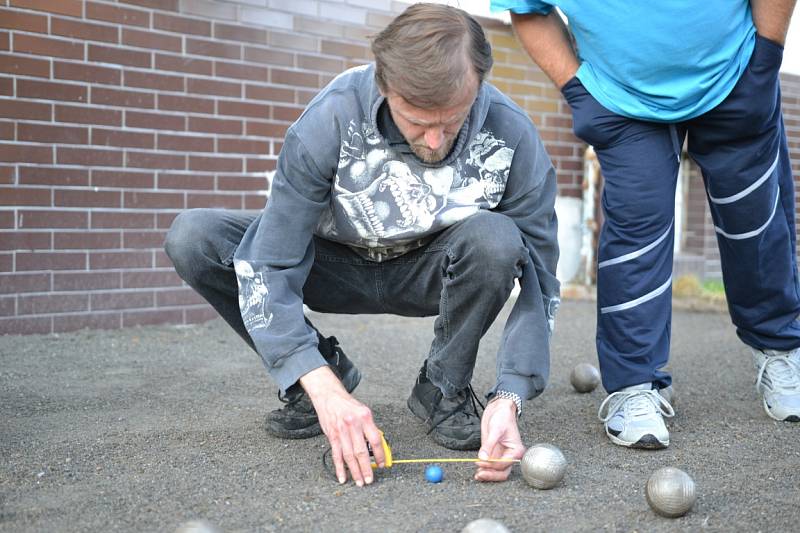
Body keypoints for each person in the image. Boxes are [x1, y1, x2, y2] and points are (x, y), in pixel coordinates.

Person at [164, 3, 560, 485]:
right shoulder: (331, 117)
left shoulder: (512, 134)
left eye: (452, 121)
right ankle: (316, 380)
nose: (435, 142)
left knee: (499, 238)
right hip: (332, 264)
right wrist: (318, 382)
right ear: (384, 85)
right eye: (417, 121)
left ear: (479, 84)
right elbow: (272, 261)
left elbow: (541, 275)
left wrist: (510, 394)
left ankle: (443, 386)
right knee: (194, 237)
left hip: (430, 269)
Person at [493, 0, 800, 449]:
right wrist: (578, 90)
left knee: (755, 225)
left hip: (735, 75)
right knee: (635, 238)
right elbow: (528, 9)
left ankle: (781, 350)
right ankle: (634, 386)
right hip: (621, 97)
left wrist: (767, 55)